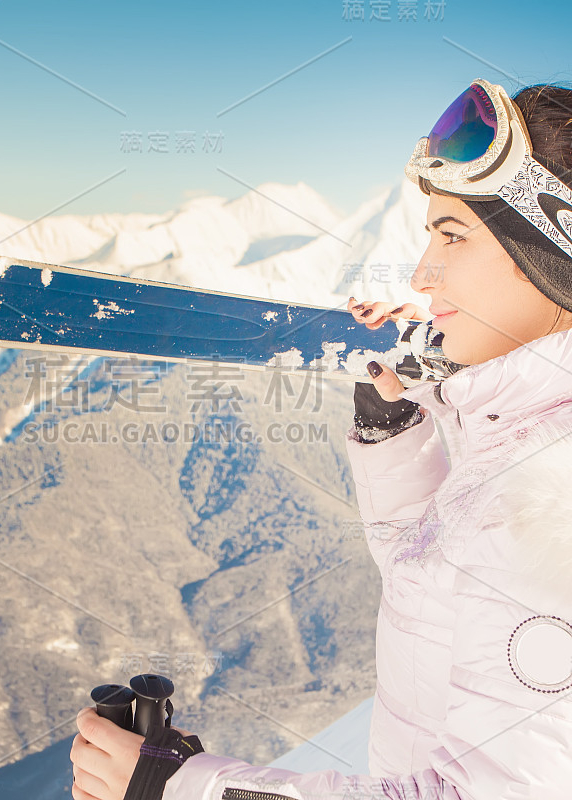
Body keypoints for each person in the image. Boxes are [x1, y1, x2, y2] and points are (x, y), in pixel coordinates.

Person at [69, 79, 572, 800]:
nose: (424, 274)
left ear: (553, 256)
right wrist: (393, 427)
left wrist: (176, 789)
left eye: (453, 236)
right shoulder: (523, 444)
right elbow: (434, 584)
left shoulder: (551, 501)